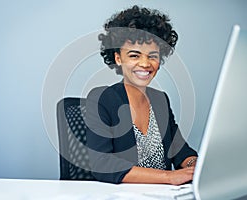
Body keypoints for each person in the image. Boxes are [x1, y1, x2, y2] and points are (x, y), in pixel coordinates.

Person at [85, 5, 198, 185]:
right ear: (118, 58)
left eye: (152, 55)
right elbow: (103, 164)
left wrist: (195, 166)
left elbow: (180, 151)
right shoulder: (102, 99)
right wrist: (169, 177)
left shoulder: (161, 100)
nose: (145, 64)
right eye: (134, 55)